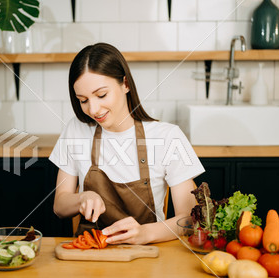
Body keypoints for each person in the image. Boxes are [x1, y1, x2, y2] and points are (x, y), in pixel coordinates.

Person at [49, 43, 204, 245]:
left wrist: (144, 234)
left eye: (101, 95)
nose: (93, 109)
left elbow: (189, 219)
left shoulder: (167, 137)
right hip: (90, 256)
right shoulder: (76, 130)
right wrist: (82, 198)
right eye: (83, 100)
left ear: (125, 84)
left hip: (148, 256)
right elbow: (59, 205)